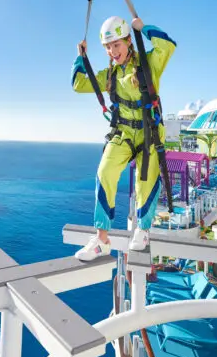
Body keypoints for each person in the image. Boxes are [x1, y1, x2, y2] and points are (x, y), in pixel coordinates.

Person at [71, 15, 176, 260]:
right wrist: (80, 57)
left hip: (150, 132)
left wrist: (144, 28)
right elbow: (78, 83)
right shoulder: (110, 75)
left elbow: (168, 45)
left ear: (129, 41)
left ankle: (143, 229)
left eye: (116, 44)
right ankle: (101, 240)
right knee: (105, 172)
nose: (112, 51)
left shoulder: (149, 62)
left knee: (146, 180)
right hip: (123, 132)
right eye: (108, 47)